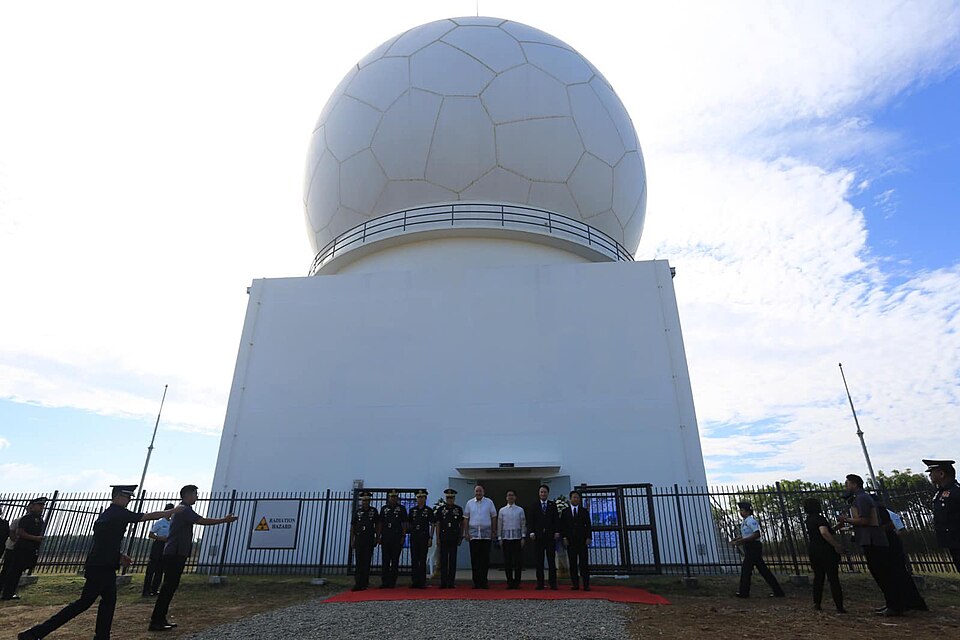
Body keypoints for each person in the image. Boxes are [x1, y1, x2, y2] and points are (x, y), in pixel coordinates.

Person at [17, 485, 179, 640]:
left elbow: (106, 541)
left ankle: (101, 637)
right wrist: (173, 511)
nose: (129, 500)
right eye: (127, 497)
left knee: (107, 601)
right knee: (83, 603)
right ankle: (35, 633)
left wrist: (119, 554)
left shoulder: (109, 514)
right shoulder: (117, 512)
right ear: (118, 497)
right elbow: (146, 516)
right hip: (101, 567)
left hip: (102, 564)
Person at [149, 484, 237, 631]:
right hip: (175, 553)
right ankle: (156, 621)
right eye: (195, 494)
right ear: (188, 495)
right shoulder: (184, 509)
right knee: (168, 587)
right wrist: (223, 520)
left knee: (170, 586)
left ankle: (160, 618)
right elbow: (202, 521)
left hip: (176, 552)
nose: (197, 496)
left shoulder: (184, 509)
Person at [837, 474, 902, 616]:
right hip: (872, 539)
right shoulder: (862, 498)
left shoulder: (861, 498)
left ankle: (894, 605)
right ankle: (891, 603)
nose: (846, 487)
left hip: (873, 540)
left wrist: (846, 519)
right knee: (881, 573)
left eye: (847, 483)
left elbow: (865, 520)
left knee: (882, 573)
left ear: (854, 484)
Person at [872, 494, 927, 612]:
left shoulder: (887, 513)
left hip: (892, 547)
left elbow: (899, 528)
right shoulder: (878, 513)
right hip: (888, 546)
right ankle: (906, 602)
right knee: (898, 575)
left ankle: (911, 602)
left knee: (899, 575)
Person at [729, 501, 785, 598]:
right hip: (749, 546)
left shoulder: (751, 521)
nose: (740, 512)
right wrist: (738, 539)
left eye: (742, 510)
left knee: (746, 570)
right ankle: (778, 591)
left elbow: (756, 534)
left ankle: (744, 592)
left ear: (747, 511)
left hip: (753, 547)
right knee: (763, 570)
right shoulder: (745, 522)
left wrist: (742, 541)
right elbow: (746, 534)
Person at [802, 498, 845, 613]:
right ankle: (839, 606)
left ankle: (817, 603)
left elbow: (826, 531)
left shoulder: (809, 520)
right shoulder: (820, 519)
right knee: (833, 578)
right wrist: (836, 545)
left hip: (814, 551)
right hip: (826, 551)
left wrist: (837, 527)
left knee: (818, 577)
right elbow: (824, 532)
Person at [1, 496, 48, 600]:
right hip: (22, 548)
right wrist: (35, 538)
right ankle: (7, 593)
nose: (42, 507)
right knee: (14, 571)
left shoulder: (40, 520)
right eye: (39, 505)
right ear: (32, 506)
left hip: (31, 548)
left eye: (43, 506)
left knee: (21, 570)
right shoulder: (26, 518)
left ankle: (11, 591)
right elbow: (20, 532)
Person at [923, 458, 960, 572]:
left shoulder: (956, 492)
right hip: (952, 541)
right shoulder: (939, 493)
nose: (930, 475)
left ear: (941, 473)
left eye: (931, 472)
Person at [463, 484, 497, 589]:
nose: (478, 493)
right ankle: (476, 582)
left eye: (480, 491)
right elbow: (466, 518)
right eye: (477, 491)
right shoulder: (469, 503)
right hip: (474, 536)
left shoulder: (489, 502)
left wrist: (493, 531)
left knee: (485, 560)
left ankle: (484, 582)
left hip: (486, 536)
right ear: (474, 492)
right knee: (475, 559)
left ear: (483, 492)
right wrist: (466, 532)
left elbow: (494, 517)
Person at [527, 484, 560, 590]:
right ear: (539, 493)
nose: (543, 494)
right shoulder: (534, 505)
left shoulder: (552, 505)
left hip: (550, 537)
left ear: (548, 493)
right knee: (539, 561)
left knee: (551, 560)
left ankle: (553, 583)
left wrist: (557, 531)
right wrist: (531, 532)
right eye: (541, 492)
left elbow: (556, 520)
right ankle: (540, 583)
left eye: (544, 492)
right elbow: (530, 520)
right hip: (538, 537)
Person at [560, 489, 592, 591]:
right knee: (573, 563)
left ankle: (586, 584)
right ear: (570, 499)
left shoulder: (584, 511)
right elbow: (563, 526)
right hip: (571, 541)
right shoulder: (565, 512)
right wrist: (564, 538)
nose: (576, 499)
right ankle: (575, 584)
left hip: (582, 541)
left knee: (584, 563)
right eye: (574, 497)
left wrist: (588, 537)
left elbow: (588, 525)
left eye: (577, 497)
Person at [142, 503, 175, 598]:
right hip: (158, 545)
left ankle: (154, 589)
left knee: (160, 570)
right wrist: (160, 538)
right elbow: (151, 534)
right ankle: (146, 591)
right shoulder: (160, 523)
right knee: (151, 569)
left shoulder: (172, 523)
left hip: (167, 546)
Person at [350, 490, 379, 592]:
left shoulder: (373, 511)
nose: (365, 502)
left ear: (370, 501)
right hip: (359, 539)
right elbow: (353, 526)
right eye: (364, 500)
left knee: (367, 562)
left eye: (367, 500)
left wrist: (377, 537)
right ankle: (358, 583)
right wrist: (352, 540)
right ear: (361, 501)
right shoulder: (358, 512)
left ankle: (365, 583)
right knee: (359, 562)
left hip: (369, 539)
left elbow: (378, 525)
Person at [497, 489, 526, 589]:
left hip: (517, 539)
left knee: (518, 562)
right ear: (506, 497)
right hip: (506, 539)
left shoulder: (520, 510)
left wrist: (523, 536)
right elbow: (499, 525)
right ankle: (509, 582)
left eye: (512, 495)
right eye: (508, 495)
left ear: (515, 497)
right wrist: (499, 537)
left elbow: (523, 524)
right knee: (507, 562)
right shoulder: (502, 510)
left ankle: (517, 583)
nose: (510, 497)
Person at [436, 489, 464, 588]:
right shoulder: (441, 509)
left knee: (452, 561)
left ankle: (451, 582)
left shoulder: (458, 509)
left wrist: (461, 536)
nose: (450, 500)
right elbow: (438, 524)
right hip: (443, 538)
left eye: (451, 498)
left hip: (454, 538)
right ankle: (443, 583)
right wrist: (437, 538)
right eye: (448, 498)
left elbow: (462, 524)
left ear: (454, 498)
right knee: (443, 561)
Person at [379, 490, 407, 588]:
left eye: (395, 497)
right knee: (385, 560)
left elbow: (404, 524)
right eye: (391, 496)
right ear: (388, 498)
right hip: (386, 537)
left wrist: (403, 536)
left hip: (396, 537)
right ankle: (384, 582)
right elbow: (380, 523)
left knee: (395, 561)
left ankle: (392, 582)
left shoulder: (401, 509)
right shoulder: (384, 508)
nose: (393, 498)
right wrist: (379, 536)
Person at [407, 490, 434, 588]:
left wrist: (430, 537)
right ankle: (415, 581)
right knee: (414, 559)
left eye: (422, 497)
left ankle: (422, 582)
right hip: (414, 537)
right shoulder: (412, 510)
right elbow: (408, 523)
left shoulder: (428, 510)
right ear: (416, 499)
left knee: (422, 560)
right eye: (419, 497)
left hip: (424, 537)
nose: (420, 499)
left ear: (425, 498)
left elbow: (432, 524)